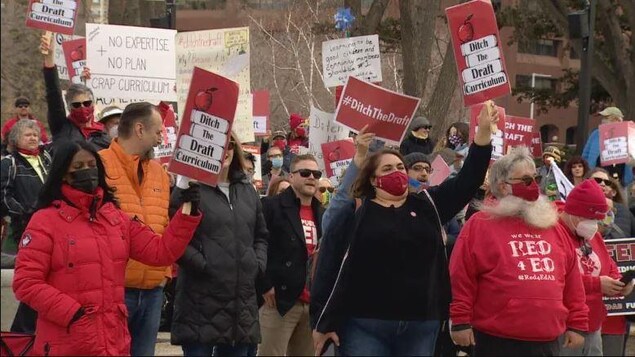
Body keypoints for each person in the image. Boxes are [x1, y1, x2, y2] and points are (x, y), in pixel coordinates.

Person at [311, 103, 497, 356]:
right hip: (363, 324)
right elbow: (329, 266)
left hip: (420, 324)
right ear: (373, 180)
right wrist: (322, 322)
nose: (397, 172)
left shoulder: (428, 205)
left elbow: (468, 181)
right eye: (387, 169)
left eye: (400, 167)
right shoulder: (355, 213)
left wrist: (483, 137)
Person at [11, 140, 201, 356]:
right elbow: (26, 283)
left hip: (113, 340)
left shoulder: (116, 219)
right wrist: (74, 314)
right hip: (66, 342)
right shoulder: (44, 221)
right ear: (63, 174)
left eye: (91, 165)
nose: (87, 171)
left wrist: (187, 212)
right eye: (78, 167)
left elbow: (160, 252)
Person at [449, 146, 588, 356]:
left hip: (547, 340)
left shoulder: (552, 226)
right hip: (496, 339)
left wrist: (577, 323)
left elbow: (572, 280)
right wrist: (460, 321)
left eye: (535, 179)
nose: (533, 186)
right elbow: (461, 276)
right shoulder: (480, 224)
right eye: (525, 180)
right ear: (503, 186)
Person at [170, 132, 268, 357]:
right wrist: (205, 265)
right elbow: (175, 237)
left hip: (240, 304)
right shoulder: (189, 189)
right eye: (217, 145)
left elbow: (261, 235)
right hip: (200, 301)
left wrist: (256, 264)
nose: (225, 150)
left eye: (230, 144)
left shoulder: (247, 190)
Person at [98, 102, 171, 356]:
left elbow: (164, 226)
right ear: (140, 129)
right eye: (158, 131)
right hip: (114, 294)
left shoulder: (159, 173)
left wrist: (165, 273)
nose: (162, 137)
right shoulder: (98, 166)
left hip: (153, 292)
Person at [556, 179, 634, 356]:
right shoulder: (555, 234)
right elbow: (557, 278)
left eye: (598, 220)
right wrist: (596, 284)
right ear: (575, 212)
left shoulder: (592, 236)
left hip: (593, 325)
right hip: (565, 328)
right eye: (591, 218)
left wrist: (620, 285)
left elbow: (610, 267)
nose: (594, 225)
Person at [258, 154, 324, 356]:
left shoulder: (322, 212)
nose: (311, 177)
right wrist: (265, 285)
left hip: (311, 303)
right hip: (279, 301)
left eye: (316, 173)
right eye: (305, 173)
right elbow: (257, 245)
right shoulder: (271, 206)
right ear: (292, 176)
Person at [589, 168, 635, 355]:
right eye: (594, 182)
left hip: (615, 314)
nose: (600, 186)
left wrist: (625, 281)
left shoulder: (624, 214)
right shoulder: (572, 230)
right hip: (582, 321)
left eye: (605, 182)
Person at [40, 34, 111, 152]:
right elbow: (53, 96)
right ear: (69, 107)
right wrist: (49, 59)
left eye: (87, 103)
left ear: (93, 104)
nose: (83, 107)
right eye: (77, 105)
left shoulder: (104, 136)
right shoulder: (62, 127)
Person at [1, 120, 52, 246]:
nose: (33, 138)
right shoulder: (9, 163)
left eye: (35, 135)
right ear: (16, 139)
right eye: (27, 135)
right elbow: (4, 196)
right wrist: (24, 213)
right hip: (23, 226)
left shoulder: (47, 159)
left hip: (51, 221)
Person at [582, 107, 633, 186]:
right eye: (603, 118)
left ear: (617, 120)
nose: (603, 120)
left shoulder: (628, 135)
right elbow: (585, 155)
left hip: (620, 181)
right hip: (596, 178)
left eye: (606, 118)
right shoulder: (596, 134)